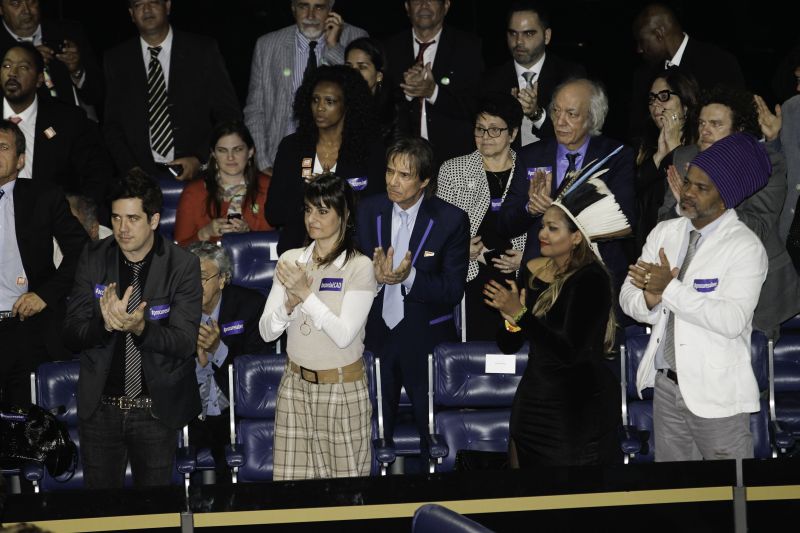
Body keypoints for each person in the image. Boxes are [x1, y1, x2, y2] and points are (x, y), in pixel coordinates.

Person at [620, 133, 770, 462]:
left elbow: (731, 321)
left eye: (702, 188)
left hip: (717, 397)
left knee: (730, 500)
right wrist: (651, 299)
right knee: (677, 501)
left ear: (725, 198)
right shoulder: (665, 232)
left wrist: (669, 289)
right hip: (667, 387)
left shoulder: (744, 248)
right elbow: (629, 297)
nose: (688, 192)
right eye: (689, 182)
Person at [63, 169, 202, 489]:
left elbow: (183, 343)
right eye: (115, 218)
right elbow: (70, 333)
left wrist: (141, 328)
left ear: (154, 220)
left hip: (156, 410)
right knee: (101, 514)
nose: (122, 229)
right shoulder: (94, 256)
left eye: (132, 219)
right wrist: (104, 325)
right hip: (100, 409)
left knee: (153, 514)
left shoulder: (182, 265)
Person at [485, 170, 631, 467]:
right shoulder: (534, 269)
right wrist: (511, 320)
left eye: (553, 229)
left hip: (576, 413)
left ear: (576, 237)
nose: (542, 234)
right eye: (543, 226)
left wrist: (521, 315)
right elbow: (509, 344)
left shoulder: (592, 279)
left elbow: (570, 352)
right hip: (534, 405)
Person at [260, 173, 376, 480]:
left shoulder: (359, 266)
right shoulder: (290, 259)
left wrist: (305, 295)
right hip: (294, 387)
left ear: (345, 214)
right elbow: (266, 331)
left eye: (323, 211)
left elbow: (343, 335)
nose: (313, 218)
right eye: (309, 209)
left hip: (341, 388)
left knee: (347, 498)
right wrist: (287, 305)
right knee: (291, 496)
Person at [355, 137, 469, 446]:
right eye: (390, 171)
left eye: (404, 175)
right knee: (373, 436)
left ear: (425, 180)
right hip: (377, 336)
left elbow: (452, 290)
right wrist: (375, 278)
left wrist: (410, 276)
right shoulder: (368, 210)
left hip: (425, 339)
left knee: (433, 438)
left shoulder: (450, 220)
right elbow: (351, 278)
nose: (393, 181)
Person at [661, 87, 800, 338]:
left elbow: (756, 227)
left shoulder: (766, 164)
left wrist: (702, 202)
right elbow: (663, 222)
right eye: (702, 123)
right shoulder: (685, 158)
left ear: (738, 132)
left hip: (757, 292)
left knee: (749, 369)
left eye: (716, 124)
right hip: (693, 282)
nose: (705, 130)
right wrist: (680, 207)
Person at [498, 78, 635, 298]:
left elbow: (624, 220)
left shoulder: (615, 156)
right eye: (556, 111)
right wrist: (530, 209)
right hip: (541, 280)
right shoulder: (530, 156)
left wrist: (559, 211)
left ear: (592, 118)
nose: (560, 121)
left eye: (571, 114)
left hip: (596, 280)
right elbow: (504, 224)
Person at [0, 119, 87, 407]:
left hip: (28, 328)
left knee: (29, 430)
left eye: (2, 147)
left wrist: (45, 295)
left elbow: (82, 251)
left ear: (21, 160)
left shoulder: (43, 196)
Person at [104, 0, 240, 181]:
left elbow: (229, 115)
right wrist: (131, 169)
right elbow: (112, 125)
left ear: (167, 6)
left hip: (199, 174)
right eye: (138, 4)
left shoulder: (202, 50)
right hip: (140, 178)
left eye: (153, 2)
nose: (147, 9)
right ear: (131, 14)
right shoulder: (117, 60)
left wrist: (200, 159)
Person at [265, 64, 385, 255]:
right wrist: (307, 192)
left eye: (330, 101)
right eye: (315, 100)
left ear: (347, 104)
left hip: (352, 252)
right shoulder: (292, 147)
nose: (320, 108)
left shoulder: (369, 149)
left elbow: (375, 210)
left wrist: (334, 192)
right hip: (298, 251)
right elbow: (274, 212)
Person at [436, 93, 527, 340]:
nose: (486, 137)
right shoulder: (452, 170)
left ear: (514, 133)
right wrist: (459, 248)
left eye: (495, 130)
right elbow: (438, 233)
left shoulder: (530, 170)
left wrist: (527, 259)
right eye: (480, 129)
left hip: (519, 277)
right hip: (472, 275)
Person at [244, 0, 367, 175]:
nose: (310, 15)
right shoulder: (267, 45)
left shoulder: (355, 38)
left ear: (331, 10)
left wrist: (334, 48)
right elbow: (255, 109)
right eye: (303, 6)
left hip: (338, 158)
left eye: (319, 7)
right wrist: (262, 160)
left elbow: (363, 93)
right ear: (293, 9)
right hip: (280, 158)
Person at [187, 241, 270, 484]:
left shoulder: (249, 306)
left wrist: (218, 349)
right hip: (190, 412)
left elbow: (257, 369)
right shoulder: (176, 311)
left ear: (222, 279)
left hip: (233, 408)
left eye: (201, 277)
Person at [1, 43, 113, 214]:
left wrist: (81, 210)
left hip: (52, 222)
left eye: (23, 67)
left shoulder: (68, 120)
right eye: (6, 66)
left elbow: (97, 172)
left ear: (40, 79)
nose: (12, 73)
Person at [383, 0, 484, 165]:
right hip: (403, 159)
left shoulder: (467, 46)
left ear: (446, 6)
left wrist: (433, 92)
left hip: (454, 158)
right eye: (417, 0)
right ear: (407, 7)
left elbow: (475, 105)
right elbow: (382, 107)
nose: (424, 5)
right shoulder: (390, 48)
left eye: (431, 0)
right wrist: (409, 91)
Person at [629, 3, 745, 141]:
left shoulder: (718, 63)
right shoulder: (644, 76)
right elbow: (637, 133)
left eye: (641, 42)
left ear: (659, 34)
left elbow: (737, 120)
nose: (639, 49)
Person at [482, 1, 585, 148]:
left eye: (528, 33)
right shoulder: (491, 81)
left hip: (557, 163)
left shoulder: (569, 77)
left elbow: (578, 134)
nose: (518, 42)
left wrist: (536, 114)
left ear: (547, 36)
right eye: (513, 33)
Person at [174, 121, 272, 247]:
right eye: (222, 151)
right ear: (213, 154)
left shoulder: (267, 187)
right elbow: (178, 250)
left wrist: (249, 235)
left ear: (251, 151)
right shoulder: (194, 192)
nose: (230, 157)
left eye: (238, 150)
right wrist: (204, 233)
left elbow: (275, 245)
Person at [0, 0, 103, 116]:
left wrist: (77, 71)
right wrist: (28, 61)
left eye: (32, 2)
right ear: (1, 9)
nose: (26, 11)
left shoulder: (68, 32)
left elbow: (97, 95)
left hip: (74, 125)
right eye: (16, 4)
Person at [634, 66, 699, 249]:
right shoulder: (644, 144)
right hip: (647, 245)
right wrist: (659, 156)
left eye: (664, 96)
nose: (656, 105)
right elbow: (631, 193)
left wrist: (675, 149)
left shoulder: (701, 147)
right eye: (652, 99)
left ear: (685, 104)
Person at [345, 37, 398, 143]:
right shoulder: (339, 106)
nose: (353, 72)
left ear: (379, 75)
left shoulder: (394, 110)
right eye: (349, 66)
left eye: (362, 67)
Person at [53, 194, 113, 267]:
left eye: (72, 223)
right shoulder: (51, 246)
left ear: (93, 229)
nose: (64, 229)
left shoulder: (114, 247)